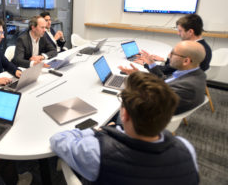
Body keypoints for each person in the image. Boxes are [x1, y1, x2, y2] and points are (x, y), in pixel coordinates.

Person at [50, 71, 199, 185]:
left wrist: (95, 131)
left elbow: (58, 140)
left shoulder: (96, 150)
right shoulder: (186, 149)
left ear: (125, 115)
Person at [119, 40, 206, 114]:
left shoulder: (186, 87)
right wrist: (147, 66)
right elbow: (164, 81)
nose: (169, 55)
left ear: (186, 61)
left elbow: (149, 101)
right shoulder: (194, 73)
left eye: (173, 54)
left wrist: (135, 80)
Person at [135, 14, 212, 77]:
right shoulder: (204, 46)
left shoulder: (189, 50)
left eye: (180, 31)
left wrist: (146, 63)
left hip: (174, 84)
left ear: (190, 31)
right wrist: (164, 59)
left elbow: (165, 71)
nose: (178, 33)